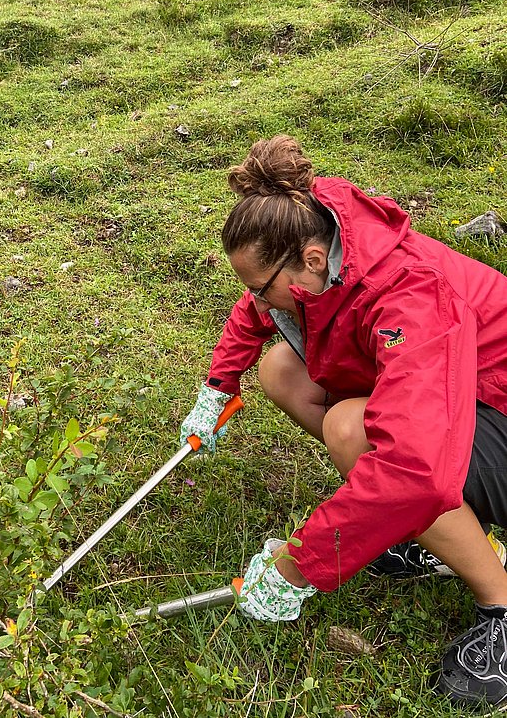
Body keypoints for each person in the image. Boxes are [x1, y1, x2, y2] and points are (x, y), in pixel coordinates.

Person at [180, 134, 507, 707]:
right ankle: (441, 535)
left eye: (263, 287)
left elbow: (414, 468)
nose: (259, 302)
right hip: (462, 393)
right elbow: (256, 309)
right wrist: (218, 386)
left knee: (355, 431)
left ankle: (501, 602)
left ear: (307, 262)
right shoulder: (323, 232)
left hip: (497, 404)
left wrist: (296, 566)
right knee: (283, 367)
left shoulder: (410, 294)